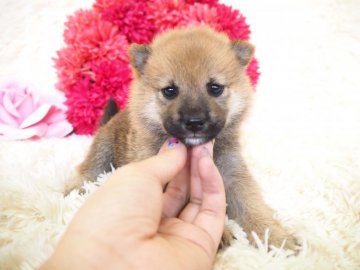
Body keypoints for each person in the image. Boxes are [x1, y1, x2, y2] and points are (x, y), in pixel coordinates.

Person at [40, 138, 226, 270]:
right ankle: (86, 173)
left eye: (214, 89)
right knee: (106, 137)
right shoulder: (145, 134)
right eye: (169, 91)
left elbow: (237, 180)